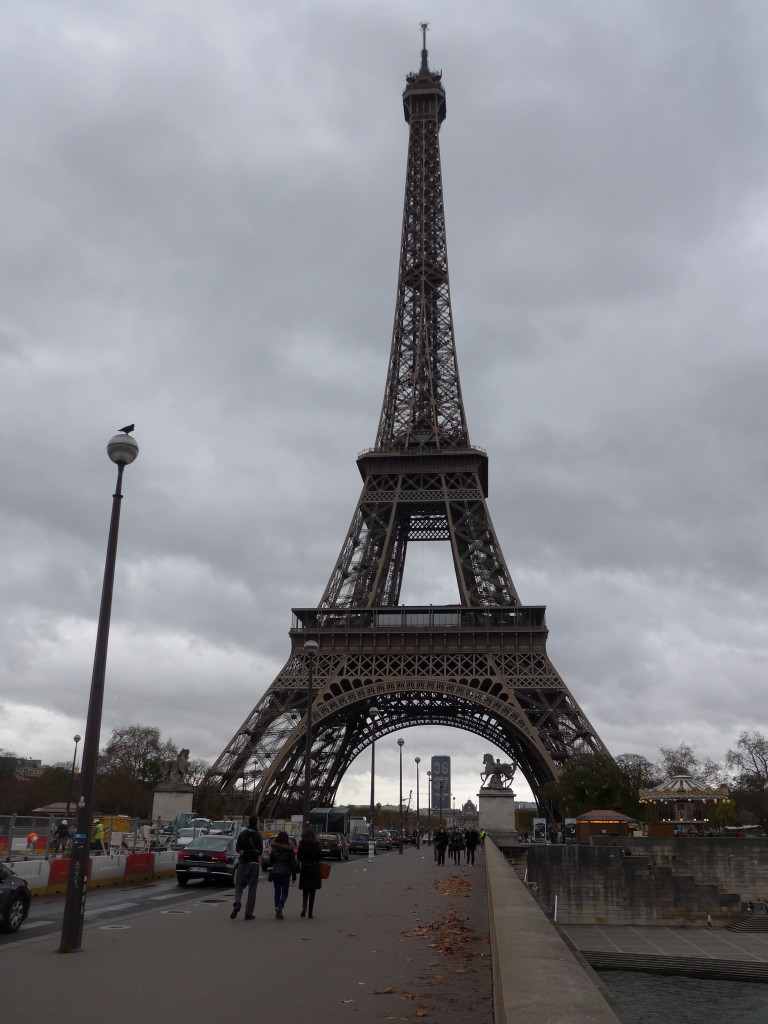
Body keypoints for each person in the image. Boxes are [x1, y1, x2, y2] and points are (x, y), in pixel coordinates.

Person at [231, 815, 263, 920]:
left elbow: (237, 849)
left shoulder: (242, 834)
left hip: (243, 863)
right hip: (254, 864)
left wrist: (245, 852)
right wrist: (253, 852)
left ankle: (237, 902)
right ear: (256, 823)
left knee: (239, 886)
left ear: (248, 822)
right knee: (252, 889)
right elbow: (260, 852)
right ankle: (248, 913)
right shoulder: (258, 836)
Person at [268, 831, 298, 920]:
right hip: (285, 873)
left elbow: (271, 861)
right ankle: (280, 906)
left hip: (276, 872)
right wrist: (294, 876)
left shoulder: (274, 848)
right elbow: (293, 864)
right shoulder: (289, 850)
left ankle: (278, 911)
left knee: (277, 892)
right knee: (285, 892)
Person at [297, 828, 322, 919]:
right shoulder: (315, 845)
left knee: (305, 891)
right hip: (314, 869)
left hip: (305, 869)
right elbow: (319, 858)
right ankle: (310, 913)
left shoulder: (301, 845)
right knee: (312, 892)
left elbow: (299, 858)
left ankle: (304, 907)